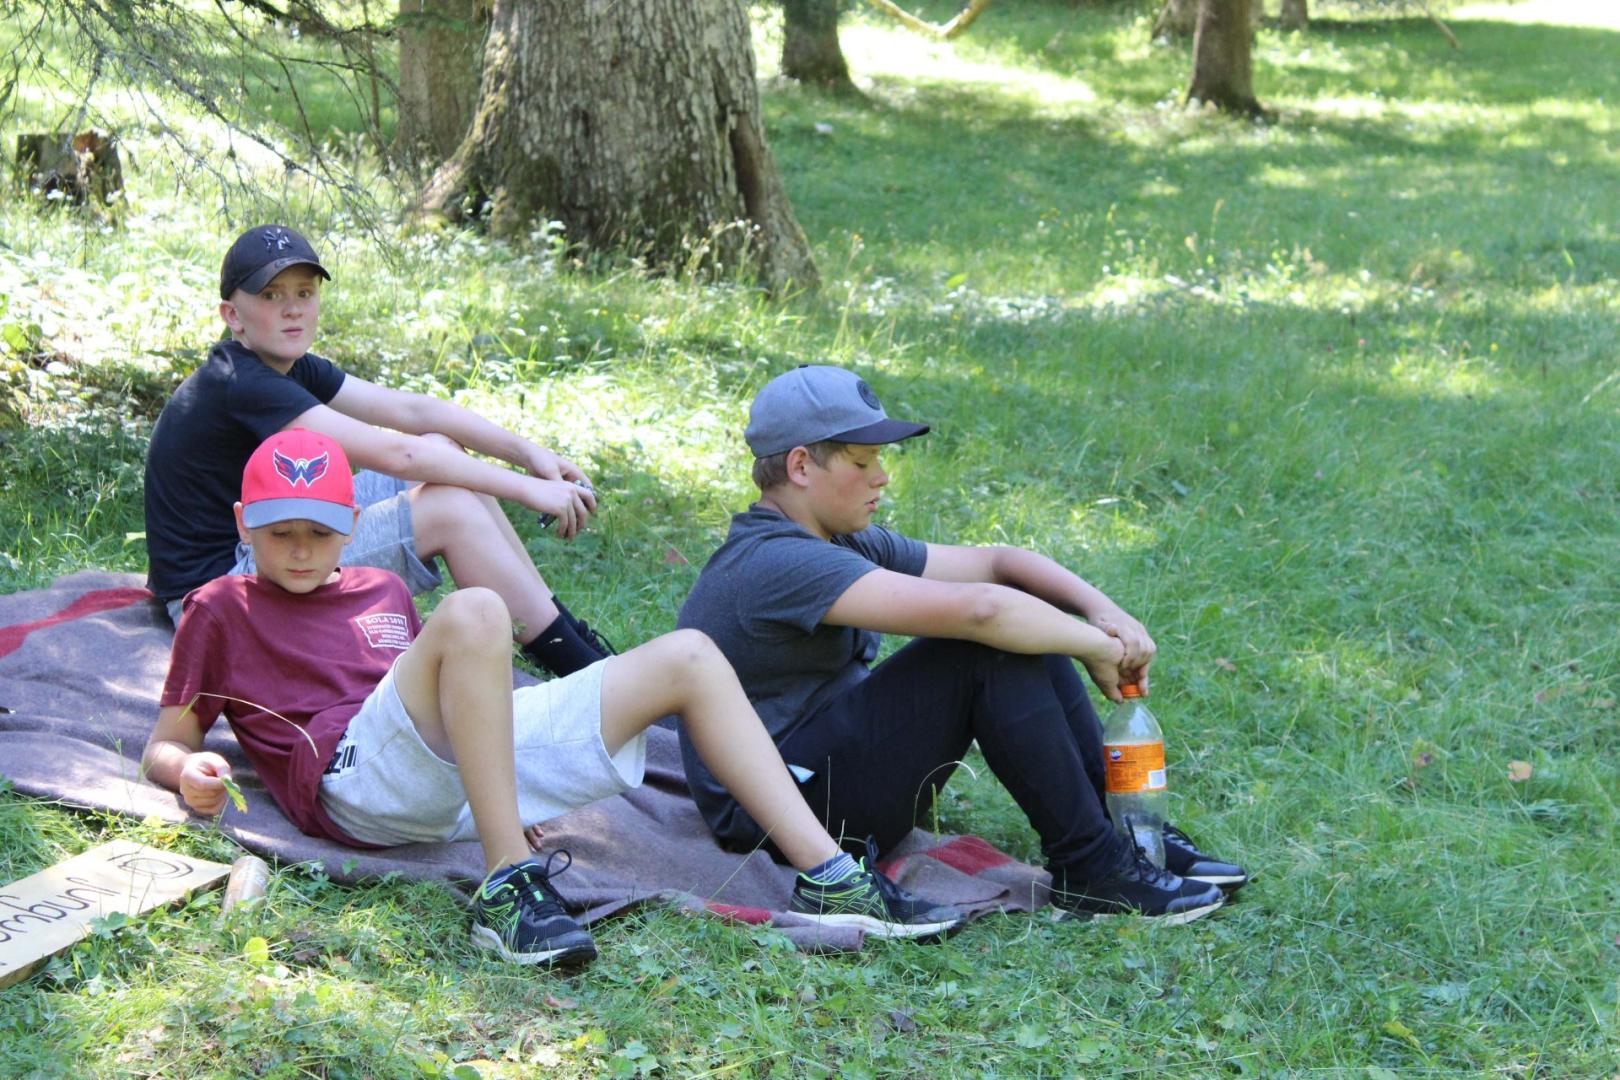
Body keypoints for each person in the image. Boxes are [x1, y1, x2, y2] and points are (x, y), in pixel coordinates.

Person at [143, 429, 961, 967]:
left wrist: (499, 782)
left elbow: (446, 700)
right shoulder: (222, 606)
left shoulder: (381, 588)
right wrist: (189, 771)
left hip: (437, 779)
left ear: (350, 524)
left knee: (687, 656)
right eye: (280, 532)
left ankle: (829, 875)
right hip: (347, 780)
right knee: (476, 608)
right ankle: (508, 884)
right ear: (244, 523)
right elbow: (165, 742)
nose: (299, 551)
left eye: (319, 533)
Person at [676, 365, 1247, 925]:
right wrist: (1095, 646)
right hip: (774, 817)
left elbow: (1000, 565)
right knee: (984, 647)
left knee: (1025, 628)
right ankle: (1092, 868)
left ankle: (1128, 837)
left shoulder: (839, 540)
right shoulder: (776, 560)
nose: (882, 477)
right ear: (801, 465)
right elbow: (984, 611)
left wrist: (1103, 611)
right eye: (863, 461)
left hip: (822, 771)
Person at [143, 224, 607, 678]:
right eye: (271, 295)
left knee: (444, 451)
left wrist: (529, 454)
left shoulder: (287, 366)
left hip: (270, 546)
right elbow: (397, 454)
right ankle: (581, 671)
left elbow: (414, 411)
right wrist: (526, 489)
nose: (293, 309)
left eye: (304, 293)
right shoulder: (240, 382)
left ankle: (569, 637)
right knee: (449, 507)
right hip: (219, 600)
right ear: (232, 315)